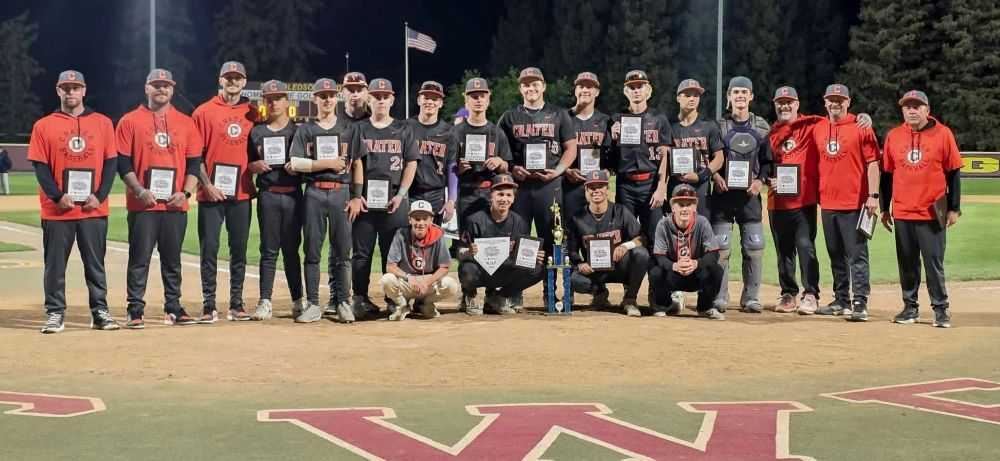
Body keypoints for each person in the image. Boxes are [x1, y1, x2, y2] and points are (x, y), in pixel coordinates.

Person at [28, 70, 119, 333]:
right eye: (66, 88)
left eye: (75, 87)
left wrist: (99, 196)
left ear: (84, 90)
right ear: (58, 91)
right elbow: (41, 168)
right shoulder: (43, 125)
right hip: (57, 211)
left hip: (93, 208)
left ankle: (100, 311)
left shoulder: (102, 123)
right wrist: (57, 196)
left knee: (95, 264)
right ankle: (55, 312)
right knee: (55, 266)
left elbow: (111, 163)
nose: (71, 92)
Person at [115, 68, 203, 328]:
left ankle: (173, 307)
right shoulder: (129, 121)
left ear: (172, 90)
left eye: (166, 85)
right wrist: (140, 191)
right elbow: (122, 163)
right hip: (143, 204)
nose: (161, 89)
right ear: (146, 88)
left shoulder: (187, 123)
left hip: (175, 204)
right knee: (139, 258)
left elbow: (194, 165)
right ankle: (135, 308)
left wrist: (185, 193)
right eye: (156, 85)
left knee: (172, 259)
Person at [881, 90, 962, 328]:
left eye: (917, 106)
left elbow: (954, 172)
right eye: (908, 107)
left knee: (933, 263)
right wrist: (885, 209)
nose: (912, 110)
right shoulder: (894, 136)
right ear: (903, 110)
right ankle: (910, 307)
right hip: (903, 211)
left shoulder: (943, 134)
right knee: (907, 263)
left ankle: (940, 309)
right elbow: (886, 175)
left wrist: (954, 208)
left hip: (931, 212)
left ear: (927, 109)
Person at [498, 67, 577, 309]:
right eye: (526, 85)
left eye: (535, 84)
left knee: (552, 237)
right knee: (519, 238)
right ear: (520, 88)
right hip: (521, 186)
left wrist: (560, 171)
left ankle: (551, 293)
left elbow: (571, 147)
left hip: (549, 184)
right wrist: (512, 169)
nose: (530, 88)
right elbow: (500, 151)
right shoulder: (509, 117)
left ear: (543, 86)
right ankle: (516, 291)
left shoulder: (558, 114)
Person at [289, 77, 366, 323]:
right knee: (312, 250)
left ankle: (343, 301)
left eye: (331, 95)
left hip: (341, 192)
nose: (327, 99)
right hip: (313, 191)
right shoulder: (306, 129)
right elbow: (296, 162)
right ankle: (313, 303)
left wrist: (356, 197)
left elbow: (357, 164)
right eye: (322, 95)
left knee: (343, 251)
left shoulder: (349, 128)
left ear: (337, 97)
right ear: (315, 98)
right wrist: (326, 164)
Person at [191, 61, 257, 323]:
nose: (232, 82)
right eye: (228, 78)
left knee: (239, 250)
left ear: (244, 81)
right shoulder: (203, 112)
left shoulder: (253, 113)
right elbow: (195, 156)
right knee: (209, 249)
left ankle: (237, 304)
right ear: (220, 80)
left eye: (237, 78)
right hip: (211, 194)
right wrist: (207, 184)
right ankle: (209, 304)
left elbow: (258, 150)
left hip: (241, 193)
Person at [811, 83, 880, 321]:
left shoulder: (861, 127)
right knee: (835, 254)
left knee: (857, 254)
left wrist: (873, 195)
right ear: (825, 102)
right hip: (827, 203)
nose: (835, 103)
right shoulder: (818, 128)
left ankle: (860, 301)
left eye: (840, 99)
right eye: (831, 99)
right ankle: (841, 299)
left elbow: (873, 163)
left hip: (854, 203)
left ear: (848, 102)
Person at [351, 78, 420, 318]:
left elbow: (411, 164)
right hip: (365, 202)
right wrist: (357, 196)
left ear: (392, 99)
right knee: (362, 253)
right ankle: (359, 298)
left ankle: (393, 299)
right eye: (376, 96)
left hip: (394, 200)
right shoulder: (359, 128)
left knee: (394, 254)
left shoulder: (403, 128)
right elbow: (354, 164)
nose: (381, 100)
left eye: (385, 96)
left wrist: (401, 194)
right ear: (369, 99)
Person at [710, 76, 772, 314]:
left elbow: (768, 162)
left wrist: (760, 181)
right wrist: (716, 177)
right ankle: (720, 296)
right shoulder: (718, 127)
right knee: (721, 250)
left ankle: (751, 298)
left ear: (751, 96)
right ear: (728, 96)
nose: (740, 96)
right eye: (735, 92)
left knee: (754, 247)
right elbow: (709, 157)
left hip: (749, 197)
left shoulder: (761, 127)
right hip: (723, 197)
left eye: (744, 92)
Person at [246, 80, 304, 321]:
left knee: (291, 250)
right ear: (264, 102)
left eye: (278, 98)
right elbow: (248, 163)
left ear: (286, 101)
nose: (273, 102)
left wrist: (298, 168)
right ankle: (265, 301)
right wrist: (254, 165)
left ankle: (298, 300)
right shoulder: (256, 131)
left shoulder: (298, 131)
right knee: (268, 250)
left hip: (292, 194)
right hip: (268, 195)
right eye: (269, 99)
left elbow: (309, 165)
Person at [457, 174, 546, 315]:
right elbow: (459, 252)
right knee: (467, 269)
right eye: (500, 194)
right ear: (491, 196)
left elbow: (521, 254)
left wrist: (533, 256)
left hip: (504, 270)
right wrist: (468, 252)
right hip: (480, 271)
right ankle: (470, 295)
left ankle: (499, 297)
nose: (504, 199)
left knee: (538, 269)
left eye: (508, 195)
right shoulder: (474, 220)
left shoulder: (519, 222)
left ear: (513, 199)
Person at [565, 170, 648, 316]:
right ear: (586, 190)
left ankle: (630, 299)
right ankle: (600, 293)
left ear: (607, 189)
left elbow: (642, 238)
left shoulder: (620, 211)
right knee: (573, 278)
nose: (596, 190)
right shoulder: (577, 218)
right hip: (594, 269)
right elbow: (570, 250)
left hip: (619, 266)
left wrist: (625, 245)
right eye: (592, 187)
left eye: (600, 186)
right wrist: (579, 264)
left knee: (641, 254)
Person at [609, 70, 673, 247]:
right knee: (624, 236)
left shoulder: (659, 119)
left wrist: (662, 187)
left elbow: (665, 156)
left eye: (640, 87)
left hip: (651, 183)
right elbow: (608, 157)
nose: (636, 90)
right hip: (625, 185)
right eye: (632, 87)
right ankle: (630, 275)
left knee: (656, 237)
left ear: (649, 91)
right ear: (625, 92)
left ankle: (656, 275)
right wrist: (612, 138)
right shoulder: (615, 119)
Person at [649, 184, 725, 320]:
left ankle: (705, 307)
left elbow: (714, 253)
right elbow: (659, 256)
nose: (685, 209)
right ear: (673, 207)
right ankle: (664, 305)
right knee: (654, 270)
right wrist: (674, 266)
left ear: (695, 207)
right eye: (681, 204)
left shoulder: (702, 223)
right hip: (674, 275)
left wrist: (696, 263)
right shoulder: (663, 224)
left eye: (689, 204)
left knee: (717, 270)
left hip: (696, 274)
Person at [380, 200, 459, 321]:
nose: (420, 223)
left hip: (427, 283)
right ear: (409, 219)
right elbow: (390, 266)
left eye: (424, 218)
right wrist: (409, 278)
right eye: (416, 218)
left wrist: (427, 281)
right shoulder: (401, 234)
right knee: (387, 280)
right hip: (407, 282)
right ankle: (402, 304)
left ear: (431, 220)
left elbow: (445, 267)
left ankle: (424, 303)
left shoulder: (438, 235)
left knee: (451, 285)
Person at [452, 77, 511, 232]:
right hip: (465, 193)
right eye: (474, 96)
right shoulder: (455, 133)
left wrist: (499, 162)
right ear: (466, 100)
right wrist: (458, 169)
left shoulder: (497, 132)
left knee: (490, 243)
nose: (478, 100)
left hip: (490, 194)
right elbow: (448, 169)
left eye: (482, 96)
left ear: (488, 99)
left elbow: (507, 167)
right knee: (465, 246)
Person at [665, 78, 723, 218]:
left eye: (696, 95)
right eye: (687, 95)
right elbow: (663, 160)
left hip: (700, 185)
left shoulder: (709, 125)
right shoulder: (668, 125)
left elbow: (719, 158)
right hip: (675, 184)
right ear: (678, 98)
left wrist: (700, 176)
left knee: (700, 230)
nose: (692, 99)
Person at [407, 81, 458, 223]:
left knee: (433, 239)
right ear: (418, 100)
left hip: (436, 193)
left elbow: (452, 167)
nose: (430, 102)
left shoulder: (449, 132)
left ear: (441, 103)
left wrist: (452, 200)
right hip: (410, 193)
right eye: (426, 97)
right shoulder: (406, 127)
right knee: (408, 238)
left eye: (434, 99)